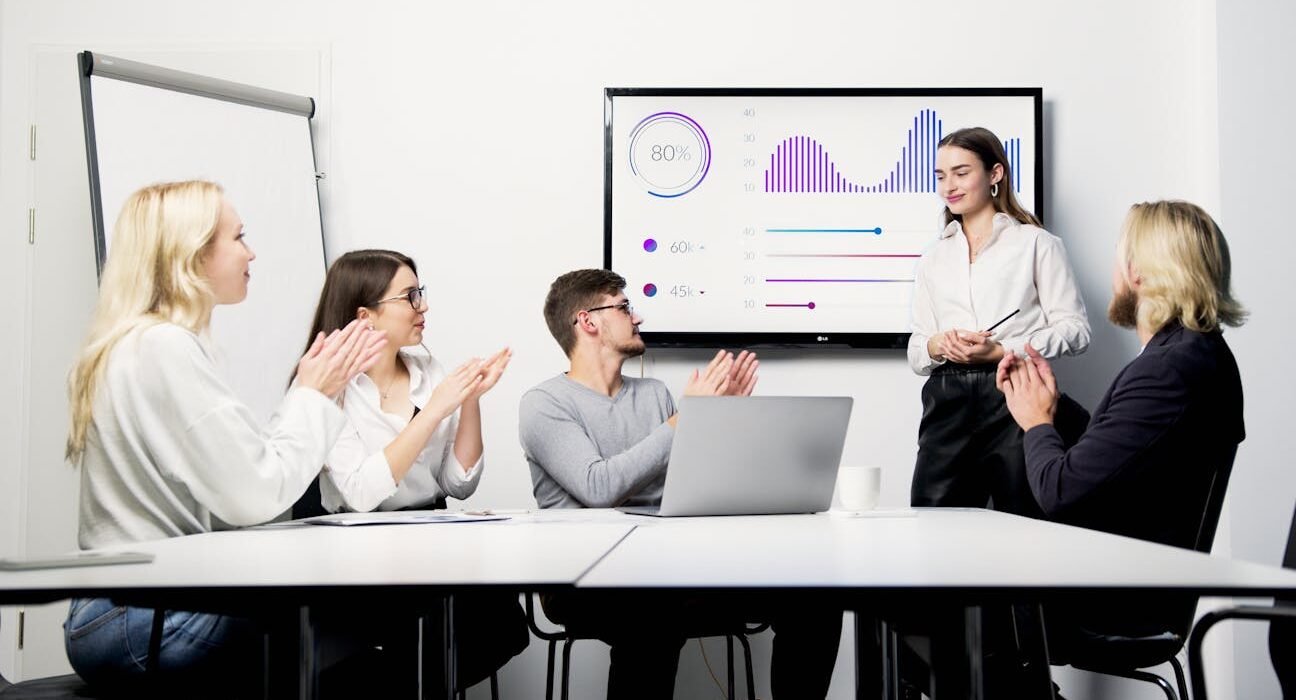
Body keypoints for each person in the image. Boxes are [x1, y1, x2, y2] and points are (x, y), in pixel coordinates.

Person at [62, 181, 386, 694]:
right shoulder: (164, 347)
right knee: (374, 619)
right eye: (238, 237)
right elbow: (254, 496)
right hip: (140, 623)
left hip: (113, 617)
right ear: (192, 254)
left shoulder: (138, 343)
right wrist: (314, 393)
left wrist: (312, 394)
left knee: (357, 625)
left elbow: (240, 482)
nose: (250, 251)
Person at [519, 269, 841, 699]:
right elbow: (598, 488)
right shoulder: (543, 404)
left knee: (814, 595)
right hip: (584, 580)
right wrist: (684, 419)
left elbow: (692, 490)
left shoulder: (653, 394)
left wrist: (720, 422)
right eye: (624, 306)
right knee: (652, 613)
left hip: (671, 569)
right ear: (588, 321)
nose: (638, 317)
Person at [997, 199, 1245, 654]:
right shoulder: (1195, 356)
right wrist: (1053, 407)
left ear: (1139, 271)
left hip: (1114, 600)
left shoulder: (1168, 370)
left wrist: (1035, 424)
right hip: (1136, 581)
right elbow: (1121, 455)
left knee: (941, 601)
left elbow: (1059, 491)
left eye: (1118, 254)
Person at [298, 248, 528, 689]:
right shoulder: (325, 383)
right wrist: (434, 411)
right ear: (365, 317)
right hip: (358, 554)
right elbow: (362, 494)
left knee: (500, 616)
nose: (423, 307)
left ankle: (409, 686)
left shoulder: (426, 367)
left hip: (429, 535)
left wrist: (469, 401)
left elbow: (457, 484)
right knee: (416, 629)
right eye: (410, 297)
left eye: (420, 293)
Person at [908, 126, 1091, 517]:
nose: (948, 186)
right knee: (930, 525)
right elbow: (917, 349)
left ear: (995, 174)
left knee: (1027, 524)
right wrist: (939, 345)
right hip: (947, 400)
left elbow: (1076, 331)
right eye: (941, 176)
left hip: (1015, 393)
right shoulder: (932, 258)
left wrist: (1002, 350)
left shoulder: (1037, 244)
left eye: (961, 173)